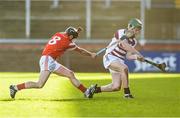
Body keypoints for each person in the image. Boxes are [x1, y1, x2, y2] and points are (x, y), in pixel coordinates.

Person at [9, 26, 97, 99]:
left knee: (70, 74)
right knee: (39, 84)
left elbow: (68, 33)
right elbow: (80, 51)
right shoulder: (68, 43)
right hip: (48, 59)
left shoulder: (58, 34)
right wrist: (91, 54)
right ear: (70, 37)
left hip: (49, 60)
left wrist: (76, 31)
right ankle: (15, 87)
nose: (74, 40)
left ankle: (86, 92)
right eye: (74, 37)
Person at [90, 18, 145, 98]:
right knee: (124, 68)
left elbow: (128, 56)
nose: (137, 32)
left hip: (119, 61)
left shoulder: (134, 41)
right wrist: (138, 53)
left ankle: (94, 89)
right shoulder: (121, 32)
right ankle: (127, 94)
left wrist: (137, 57)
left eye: (138, 30)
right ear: (130, 27)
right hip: (110, 57)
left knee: (116, 87)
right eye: (136, 30)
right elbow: (124, 45)